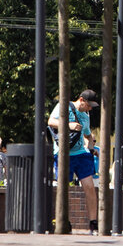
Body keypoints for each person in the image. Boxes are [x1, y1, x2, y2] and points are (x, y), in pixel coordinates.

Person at [48, 89, 99, 234]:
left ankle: (93, 223)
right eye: (88, 105)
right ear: (81, 100)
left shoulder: (85, 115)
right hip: (63, 153)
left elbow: (88, 135)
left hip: (81, 154)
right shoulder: (63, 106)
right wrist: (69, 125)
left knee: (89, 186)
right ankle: (65, 221)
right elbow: (51, 121)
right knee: (64, 188)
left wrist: (90, 147)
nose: (89, 109)